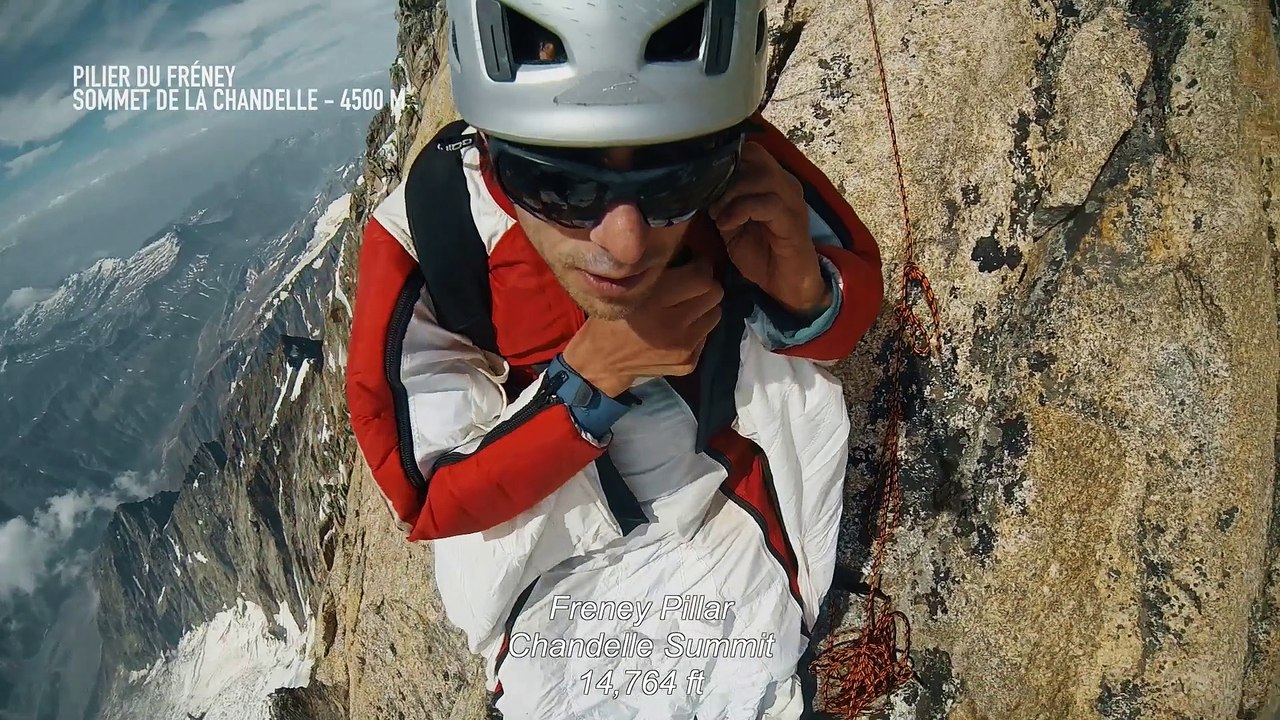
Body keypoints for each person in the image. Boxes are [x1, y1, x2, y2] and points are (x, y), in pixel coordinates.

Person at [345, 1, 884, 718]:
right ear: (493, 154)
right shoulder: (436, 233)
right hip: (561, 558)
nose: (626, 244)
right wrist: (592, 380)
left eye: (672, 185)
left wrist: (801, 290)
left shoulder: (739, 163)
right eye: (562, 187)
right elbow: (428, 496)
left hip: (727, 510)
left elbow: (846, 311)